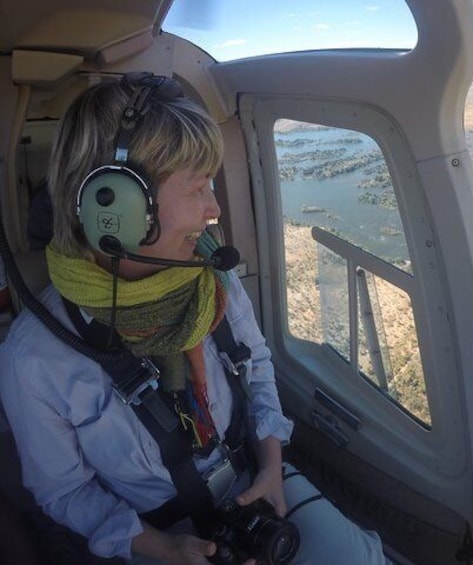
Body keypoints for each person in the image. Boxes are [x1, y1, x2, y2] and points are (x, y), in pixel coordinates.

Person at [0, 73, 386, 564]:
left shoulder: (212, 281)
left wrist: (271, 465)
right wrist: (161, 546)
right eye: (198, 187)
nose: (214, 207)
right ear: (115, 204)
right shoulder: (35, 357)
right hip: (159, 530)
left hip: (260, 482)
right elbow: (65, 492)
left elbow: (258, 365)